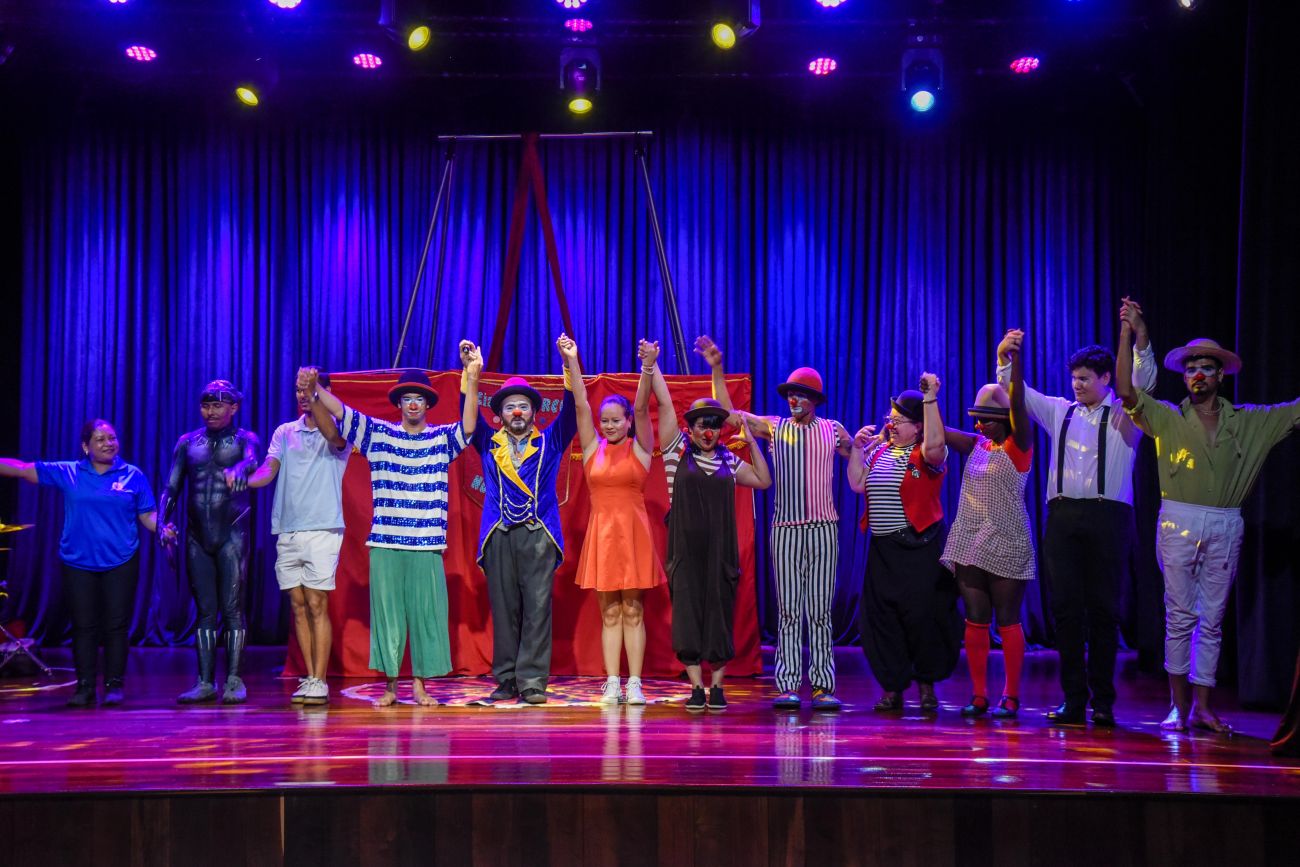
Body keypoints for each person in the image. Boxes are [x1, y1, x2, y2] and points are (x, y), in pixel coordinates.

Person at [1116, 311, 1299, 734]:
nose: (1197, 375)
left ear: (1220, 376)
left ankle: (1202, 707)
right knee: (1180, 617)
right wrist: (1129, 333)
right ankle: (1178, 707)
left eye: (1206, 368)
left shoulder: (1250, 421)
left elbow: (1294, 412)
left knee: (1212, 620)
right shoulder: (1167, 416)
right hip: (1178, 521)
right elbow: (1125, 390)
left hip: (1225, 523)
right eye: (1191, 369)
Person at [996, 301, 1157, 727]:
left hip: (1109, 518)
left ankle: (1103, 702)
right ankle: (1073, 700)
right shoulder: (1059, 410)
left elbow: (1143, 379)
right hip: (1064, 518)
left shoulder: (1127, 413)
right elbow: (1016, 393)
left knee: (1104, 610)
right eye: (1074, 378)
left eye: (1085, 378)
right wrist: (1005, 358)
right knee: (1066, 610)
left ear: (1107, 378)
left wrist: (1136, 336)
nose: (1077, 384)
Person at [304, 349, 481, 708]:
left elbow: (468, 428)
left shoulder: (440, 439)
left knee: (426, 617)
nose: (413, 404)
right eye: (407, 399)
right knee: (388, 619)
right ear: (399, 404)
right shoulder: (379, 434)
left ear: (427, 405)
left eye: (419, 399)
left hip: (426, 543)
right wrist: (314, 390)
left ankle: (420, 686)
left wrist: (473, 376)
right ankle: (390, 686)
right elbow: (342, 413)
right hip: (386, 542)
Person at [696, 335, 852, 711]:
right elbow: (728, 416)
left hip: (824, 529)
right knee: (788, 610)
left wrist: (863, 442)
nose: (793, 400)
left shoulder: (832, 429)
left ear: (814, 399)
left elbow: (858, 456)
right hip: (786, 530)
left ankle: (822, 685)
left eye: (800, 395)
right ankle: (787, 685)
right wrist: (717, 369)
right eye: (790, 395)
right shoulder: (774, 427)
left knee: (819, 611)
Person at [643, 346, 772, 711]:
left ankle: (717, 687)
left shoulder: (729, 460)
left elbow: (763, 480)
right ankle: (696, 687)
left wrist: (750, 442)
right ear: (691, 428)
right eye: (703, 425)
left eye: (714, 425)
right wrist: (652, 365)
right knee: (687, 618)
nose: (709, 431)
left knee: (719, 617)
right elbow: (663, 404)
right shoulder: (676, 453)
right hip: (685, 554)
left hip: (720, 554)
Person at [1, 420, 159, 707]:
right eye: (100, 439)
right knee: (84, 626)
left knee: (116, 625)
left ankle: (113, 685)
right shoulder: (68, 472)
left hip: (121, 560)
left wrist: (165, 530)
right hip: (77, 562)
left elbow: (148, 516)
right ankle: (85, 686)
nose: (109, 443)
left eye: (112, 438)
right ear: (86, 447)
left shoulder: (133, 475)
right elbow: (22, 469)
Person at [470, 335, 580, 705]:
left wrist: (570, 363)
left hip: (538, 534)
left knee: (537, 610)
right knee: (504, 612)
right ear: (499, 414)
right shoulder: (488, 442)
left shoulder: (550, 441)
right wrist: (472, 373)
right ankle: (506, 679)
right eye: (510, 407)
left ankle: (532, 681)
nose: (517, 412)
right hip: (499, 534)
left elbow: (572, 411)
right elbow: (467, 417)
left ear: (534, 412)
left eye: (523, 406)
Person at [848, 375, 959, 713]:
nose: (891, 424)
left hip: (919, 548)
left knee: (923, 618)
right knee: (883, 620)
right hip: (884, 551)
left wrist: (931, 400)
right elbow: (857, 483)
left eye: (899, 420)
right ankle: (892, 687)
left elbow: (937, 445)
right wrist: (856, 449)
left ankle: (926, 686)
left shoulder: (926, 454)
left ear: (918, 426)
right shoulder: (880, 451)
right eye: (890, 418)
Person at [940, 338, 1035, 719]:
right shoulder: (977, 443)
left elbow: (1019, 405)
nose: (979, 425)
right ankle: (979, 695)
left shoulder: (1019, 445)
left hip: (1008, 541)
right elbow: (939, 431)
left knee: (1008, 619)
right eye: (977, 419)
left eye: (987, 419)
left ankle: (1011, 696)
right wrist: (925, 401)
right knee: (975, 618)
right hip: (971, 541)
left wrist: (1013, 362)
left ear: (1005, 419)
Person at [248, 368, 349, 706]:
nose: (303, 395)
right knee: (298, 605)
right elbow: (268, 469)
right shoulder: (284, 432)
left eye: (310, 389)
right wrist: (244, 479)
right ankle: (310, 677)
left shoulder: (337, 430)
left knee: (317, 603)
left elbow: (331, 434)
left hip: (323, 528)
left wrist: (315, 391)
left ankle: (320, 680)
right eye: (299, 390)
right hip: (288, 528)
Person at [571, 340, 665, 705]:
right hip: (603, 537)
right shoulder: (592, 449)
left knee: (633, 610)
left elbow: (642, 407)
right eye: (605, 421)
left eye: (616, 420)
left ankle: (635, 682)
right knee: (609, 612)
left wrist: (647, 367)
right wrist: (572, 360)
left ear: (627, 422)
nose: (609, 426)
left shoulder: (640, 449)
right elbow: (581, 404)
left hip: (632, 536)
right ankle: (612, 681)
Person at [160, 380, 260, 705]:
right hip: (196, 536)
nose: (211, 411)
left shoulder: (245, 440)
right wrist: (162, 523)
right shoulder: (188, 443)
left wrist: (242, 467)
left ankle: (234, 679)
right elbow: (172, 487)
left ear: (234, 407)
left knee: (232, 608)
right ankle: (204, 682)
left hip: (232, 533)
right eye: (206, 405)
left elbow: (253, 461)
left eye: (218, 405)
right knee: (205, 610)